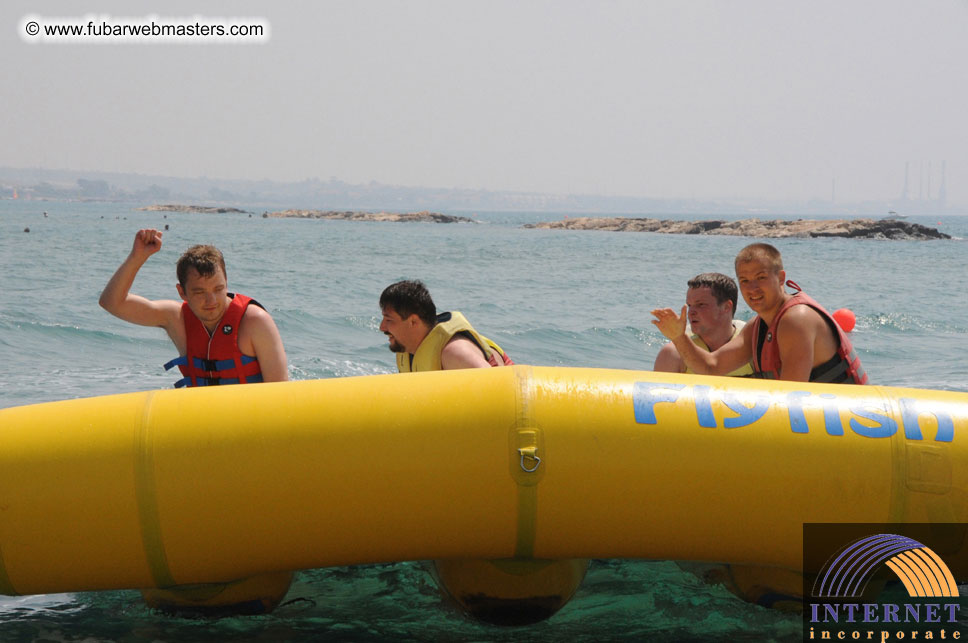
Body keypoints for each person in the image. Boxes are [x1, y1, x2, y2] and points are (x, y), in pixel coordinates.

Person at [651, 243, 866, 384]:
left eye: (761, 277)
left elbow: (792, 397)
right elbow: (711, 367)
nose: (752, 288)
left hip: (852, 423)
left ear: (781, 278)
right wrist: (678, 337)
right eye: (744, 280)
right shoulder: (760, 325)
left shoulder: (797, 319)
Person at [99, 228, 288, 387]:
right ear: (182, 292)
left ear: (227, 283)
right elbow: (112, 303)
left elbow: (279, 394)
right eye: (199, 292)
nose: (211, 300)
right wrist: (137, 257)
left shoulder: (255, 321)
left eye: (218, 289)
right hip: (202, 420)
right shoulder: (176, 318)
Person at [378, 280, 512, 372]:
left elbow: (497, 387)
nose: (382, 327)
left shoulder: (454, 353)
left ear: (413, 321)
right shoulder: (407, 350)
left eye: (389, 320)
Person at [653, 273, 753, 376]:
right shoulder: (673, 354)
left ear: (726, 307)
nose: (691, 312)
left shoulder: (753, 348)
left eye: (701, 305)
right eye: (689, 305)